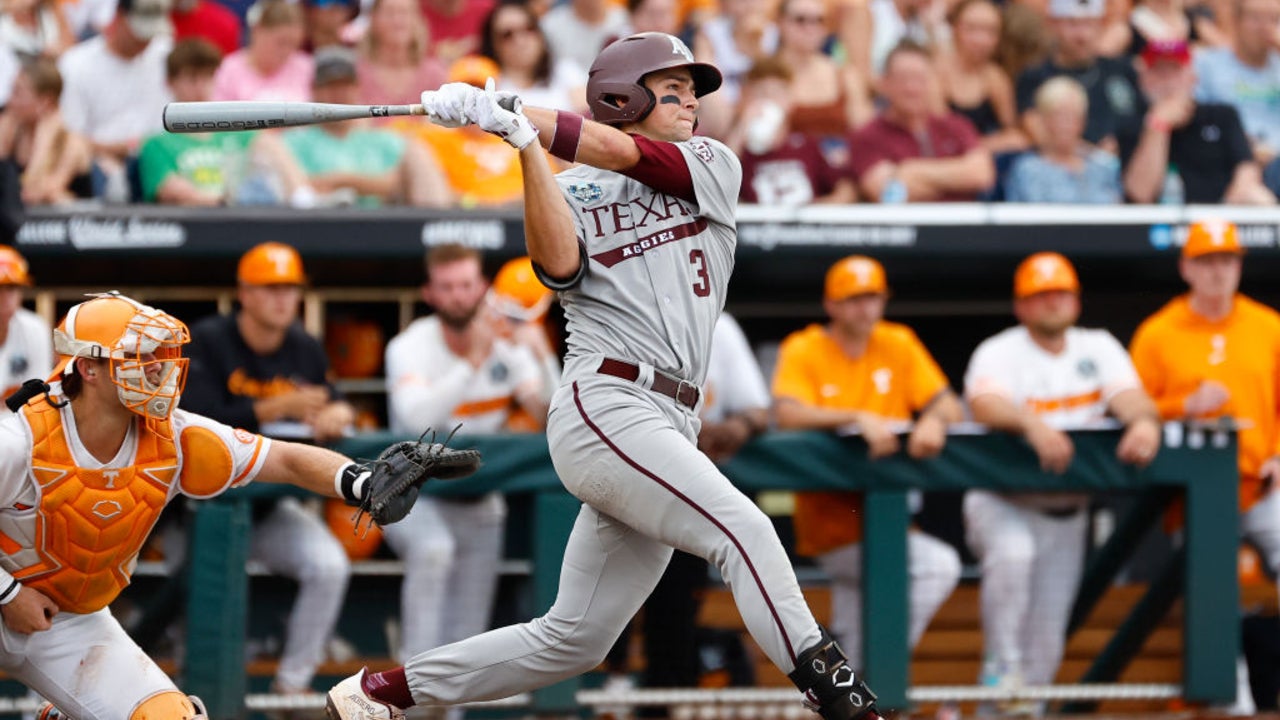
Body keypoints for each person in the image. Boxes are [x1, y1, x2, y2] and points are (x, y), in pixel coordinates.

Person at [326, 31, 884, 720]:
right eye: (673, 91)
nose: (691, 105)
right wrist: (522, 146)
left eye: (693, 93)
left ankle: (380, 695)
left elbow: (623, 150)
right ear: (624, 97)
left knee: (575, 639)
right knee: (742, 528)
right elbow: (557, 267)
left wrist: (518, 116)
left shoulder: (711, 162)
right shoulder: (572, 185)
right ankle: (841, 700)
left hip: (673, 416)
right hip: (608, 400)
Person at [1, 291, 437, 719]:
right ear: (89, 368)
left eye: (158, 354)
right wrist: (9, 592)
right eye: (138, 356)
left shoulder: (174, 436)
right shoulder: (20, 439)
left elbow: (284, 458)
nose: (156, 368)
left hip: (70, 620)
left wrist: (359, 482)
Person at [962, 252, 1161, 704]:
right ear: (1022, 305)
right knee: (1013, 557)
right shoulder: (1001, 349)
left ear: (1076, 301)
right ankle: (998, 673)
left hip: (1068, 510)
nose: (1052, 302)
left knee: (1048, 638)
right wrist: (1033, 426)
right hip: (1003, 501)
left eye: (1061, 293)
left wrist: (1144, 422)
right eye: (1041, 295)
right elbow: (984, 403)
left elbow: (1130, 396)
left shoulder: (1098, 345)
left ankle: (1022, 707)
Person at [181, 242, 356, 695]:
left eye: (290, 289)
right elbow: (192, 420)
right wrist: (276, 406)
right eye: (272, 288)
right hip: (196, 507)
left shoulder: (304, 348)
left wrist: (339, 414)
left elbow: (332, 402)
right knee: (193, 598)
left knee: (329, 564)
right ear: (245, 293)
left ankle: (292, 686)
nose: (284, 299)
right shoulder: (209, 339)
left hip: (267, 503)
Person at [772, 255, 962, 666]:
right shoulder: (805, 347)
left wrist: (933, 418)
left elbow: (949, 404)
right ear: (832, 305)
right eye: (854, 298)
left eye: (873, 297)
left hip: (888, 520)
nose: (866, 308)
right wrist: (855, 416)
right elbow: (787, 414)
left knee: (852, 638)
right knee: (938, 567)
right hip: (831, 526)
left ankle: (855, 692)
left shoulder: (898, 342)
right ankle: (874, 679)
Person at [1129, 219, 1280, 716]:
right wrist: (1183, 405)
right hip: (1193, 496)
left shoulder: (1269, 325)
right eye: (1207, 261)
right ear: (1186, 267)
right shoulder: (1157, 332)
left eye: (1228, 261)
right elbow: (1130, 409)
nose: (1219, 272)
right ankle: (1227, 702)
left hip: (1261, 483)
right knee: (1213, 597)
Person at [380, 243, 547, 663]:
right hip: (413, 494)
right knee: (434, 550)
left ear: (483, 289)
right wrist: (472, 361)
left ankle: (449, 706)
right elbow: (418, 420)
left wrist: (541, 352)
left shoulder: (507, 345)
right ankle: (412, 683)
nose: (458, 295)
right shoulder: (409, 345)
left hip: (480, 496)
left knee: (468, 635)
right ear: (430, 293)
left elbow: (552, 415)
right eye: (447, 286)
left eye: (466, 285)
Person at [270, 46, 453, 207]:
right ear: (314, 90)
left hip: (381, 227)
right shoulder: (295, 141)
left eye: (345, 86)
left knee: (417, 151)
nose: (339, 94)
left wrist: (342, 181)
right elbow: (301, 187)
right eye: (331, 86)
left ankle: (442, 232)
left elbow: (397, 183)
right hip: (316, 227)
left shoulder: (379, 139)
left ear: (357, 89)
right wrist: (365, 185)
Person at [1118, 39, 1275, 204]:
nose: (1167, 81)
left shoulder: (1222, 115)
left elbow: (1246, 169)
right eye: (1159, 71)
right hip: (1158, 226)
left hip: (1221, 220)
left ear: (1192, 77)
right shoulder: (1132, 124)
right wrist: (1158, 124)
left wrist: (1227, 209)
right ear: (1143, 79)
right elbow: (1140, 194)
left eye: (1175, 70)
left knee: (1258, 197)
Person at [848, 41, 995, 202]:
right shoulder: (867, 136)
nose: (912, 88)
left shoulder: (956, 125)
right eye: (902, 79)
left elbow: (982, 174)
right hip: (905, 226)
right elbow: (888, 194)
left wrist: (911, 170)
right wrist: (958, 177)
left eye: (920, 79)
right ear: (884, 83)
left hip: (963, 225)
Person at [57, 0, 172, 200]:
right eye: (140, 32)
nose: (146, 41)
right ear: (118, 17)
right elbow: (70, 136)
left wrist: (148, 150)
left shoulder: (165, 55)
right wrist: (125, 149)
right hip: (99, 166)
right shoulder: (76, 65)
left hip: (160, 163)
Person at [138, 39, 262, 206]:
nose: (200, 86)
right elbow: (173, 192)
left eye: (208, 76)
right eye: (192, 78)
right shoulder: (156, 145)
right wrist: (225, 202)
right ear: (171, 83)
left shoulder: (239, 133)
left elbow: (273, 154)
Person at [1014, 0, 1144, 153]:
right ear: (1052, 24)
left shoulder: (1123, 70)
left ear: (1102, 24)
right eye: (1072, 24)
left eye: (1089, 23)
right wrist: (1097, 158)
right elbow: (1038, 133)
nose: (1082, 35)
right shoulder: (1035, 77)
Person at [725, 57, 856, 204]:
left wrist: (819, 210)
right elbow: (718, 182)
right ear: (746, 100)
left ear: (790, 100)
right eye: (760, 93)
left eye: (776, 93)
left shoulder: (808, 146)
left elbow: (845, 188)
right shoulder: (739, 152)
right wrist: (742, 128)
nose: (769, 99)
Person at [1003, 76, 1123, 203]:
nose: (1066, 125)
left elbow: (1118, 209)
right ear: (1044, 120)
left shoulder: (1102, 167)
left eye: (1073, 116)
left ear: (1082, 122)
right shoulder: (1028, 169)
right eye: (1059, 116)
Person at [1193, 0, 1280, 173]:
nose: (1265, 27)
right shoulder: (1207, 64)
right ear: (1235, 22)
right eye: (1255, 18)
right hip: (1230, 164)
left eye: (1274, 19)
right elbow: (1196, 120)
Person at [935, 0, 1027, 154]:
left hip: (981, 156)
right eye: (972, 29)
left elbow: (1013, 132)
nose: (981, 40)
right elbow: (938, 134)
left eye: (990, 31)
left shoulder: (995, 77)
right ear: (955, 29)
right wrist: (990, 144)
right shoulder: (937, 72)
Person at [0, 56, 91, 205]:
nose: (10, 100)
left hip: (72, 225)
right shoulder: (11, 131)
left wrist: (43, 143)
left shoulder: (72, 143)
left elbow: (33, 193)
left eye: (18, 93)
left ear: (45, 102)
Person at [480, 2, 587, 113]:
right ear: (493, 44)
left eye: (529, 29)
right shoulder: (486, 84)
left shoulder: (566, 71)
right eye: (507, 34)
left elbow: (586, 120)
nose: (520, 41)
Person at [212, 0, 312, 102]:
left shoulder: (306, 68)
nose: (287, 51)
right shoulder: (229, 70)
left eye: (293, 44)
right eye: (282, 42)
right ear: (258, 31)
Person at [355, 0, 446, 108]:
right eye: (389, 13)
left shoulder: (435, 74)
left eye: (404, 12)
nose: (397, 21)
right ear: (373, 18)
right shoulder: (356, 74)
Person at [0, 245, 50, 398]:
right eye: (0, 288)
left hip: (18, 420)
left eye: (12, 288)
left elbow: (40, 392)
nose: (6, 297)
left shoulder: (34, 327)